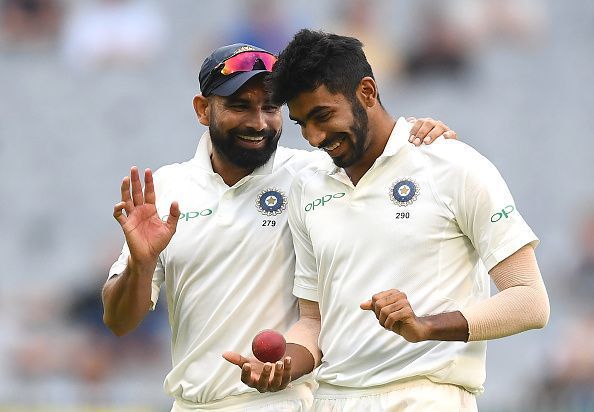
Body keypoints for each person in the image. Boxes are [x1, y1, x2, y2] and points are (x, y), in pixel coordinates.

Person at [102, 41, 457, 412]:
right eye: (240, 106)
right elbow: (119, 322)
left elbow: (380, 152)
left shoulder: (315, 175)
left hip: (288, 401)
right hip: (192, 405)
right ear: (203, 109)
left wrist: (417, 133)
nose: (258, 123)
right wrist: (140, 265)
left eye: (270, 107)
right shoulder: (167, 188)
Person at [223, 30, 550, 411]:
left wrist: (426, 325)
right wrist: (283, 367)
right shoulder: (307, 189)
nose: (313, 137)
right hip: (332, 400)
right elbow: (313, 322)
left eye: (323, 115)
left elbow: (529, 300)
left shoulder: (453, 165)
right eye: (301, 124)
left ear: (366, 92)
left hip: (424, 396)